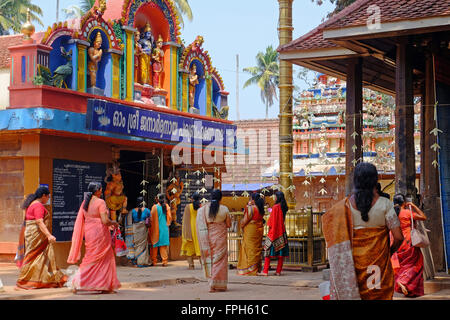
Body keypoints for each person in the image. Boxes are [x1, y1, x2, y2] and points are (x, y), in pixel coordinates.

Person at [322, 162, 404, 300]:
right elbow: (399, 237)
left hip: (352, 269)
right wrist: (389, 252)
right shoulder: (385, 205)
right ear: (375, 180)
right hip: (378, 270)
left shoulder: (344, 207)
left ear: (355, 181)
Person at [67, 182, 121, 294]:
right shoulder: (100, 202)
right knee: (105, 258)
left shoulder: (85, 202)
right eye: (101, 190)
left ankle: (78, 282)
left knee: (90, 258)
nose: (101, 191)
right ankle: (101, 285)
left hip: (89, 232)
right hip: (99, 232)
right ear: (97, 190)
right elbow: (105, 220)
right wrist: (114, 223)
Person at [16, 186, 67, 289]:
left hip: (32, 234)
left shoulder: (32, 204)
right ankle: (25, 280)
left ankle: (44, 280)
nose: (48, 199)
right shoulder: (38, 206)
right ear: (44, 195)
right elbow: (39, 221)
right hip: (36, 235)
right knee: (33, 256)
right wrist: (49, 235)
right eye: (48, 197)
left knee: (41, 257)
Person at [391, 194, 427, 297]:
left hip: (397, 244)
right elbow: (423, 217)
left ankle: (409, 289)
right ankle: (403, 281)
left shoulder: (391, 214)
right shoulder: (406, 212)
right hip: (409, 243)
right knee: (417, 263)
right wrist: (413, 205)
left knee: (403, 266)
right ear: (404, 202)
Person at [196, 189, 231, 292]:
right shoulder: (224, 209)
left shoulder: (204, 209)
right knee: (219, 260)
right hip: (220, 238)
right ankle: (216, 284)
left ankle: (212, 282)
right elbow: (228, 224)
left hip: (209, 237)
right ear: (221, 198)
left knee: (212, 260)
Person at [258, 191, 289, 276]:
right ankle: (278, 271)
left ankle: (265, 271)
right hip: (282, 231)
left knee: (267, 251)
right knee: (281, 253)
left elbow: (271, 221)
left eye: (275, 197)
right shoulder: (284, 207)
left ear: (277, 197)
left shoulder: (275, 207)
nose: (274, 198)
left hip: (274, 231)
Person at [237, 193, 265, 276]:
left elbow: (245, 220)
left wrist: (241, 225)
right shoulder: (261, 209)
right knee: (256, 248)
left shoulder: (251, 209)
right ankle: (256, 268)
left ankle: (249, 269)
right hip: (259, 230)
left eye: (250, 199)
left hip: (251, 231)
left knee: (250, 249)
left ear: (253, 200)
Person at [180, 193, 202, 270]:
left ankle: (191, 265)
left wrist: (185, 232)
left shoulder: (188, 207)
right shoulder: (201, 206)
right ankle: (204, 265)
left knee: (189, 248)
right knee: (200, 247)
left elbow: (185, 220)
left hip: (190, 229)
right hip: (199, 228)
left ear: (192, 199)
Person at [149, 194, 172, 266]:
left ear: (157, 199)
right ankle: (164, 261)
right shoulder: (167, 206)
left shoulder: (154, 207)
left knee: (155, 245)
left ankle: (154, 261)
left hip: (156, 228)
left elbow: (151, 218)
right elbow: (170, 217)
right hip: (164, 228)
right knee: (163, 246)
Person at [129, 196, 151, 267]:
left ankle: (136, 260)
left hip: (135, 228)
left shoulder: (132, 211)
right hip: (143, 229)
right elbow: (150, 220)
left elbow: (130, 221)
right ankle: (142, 261)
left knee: (136, 244)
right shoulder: (147, 210)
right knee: (143, 245)